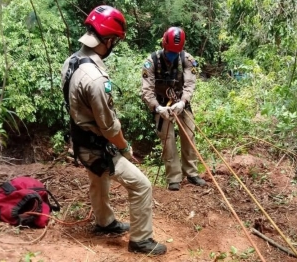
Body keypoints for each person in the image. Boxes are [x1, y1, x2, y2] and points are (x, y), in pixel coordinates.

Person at [60, 5, 166, 255]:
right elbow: (109, 126)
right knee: (141, 185)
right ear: (106, 40)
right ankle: (141, 240)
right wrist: (125, 147)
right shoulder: (96, 79)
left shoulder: (71, 61)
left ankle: (104, 222)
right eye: (114, 41)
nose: (114, 45)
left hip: (80, 140)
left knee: (98, 180)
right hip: (96, 145)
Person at [141, 27, 207, 191]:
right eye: (169, 51)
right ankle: (173, 178)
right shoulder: (151, 62)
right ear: (164, 45)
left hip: (181, 103)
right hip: (162, 105)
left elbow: (190, 84)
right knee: (168, 141)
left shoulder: (187, 59)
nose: (171, 55)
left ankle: (191, 173)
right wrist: (157, 108)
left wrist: (183, 102)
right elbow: (146, 90)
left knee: (189, 135)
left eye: (175, 52)